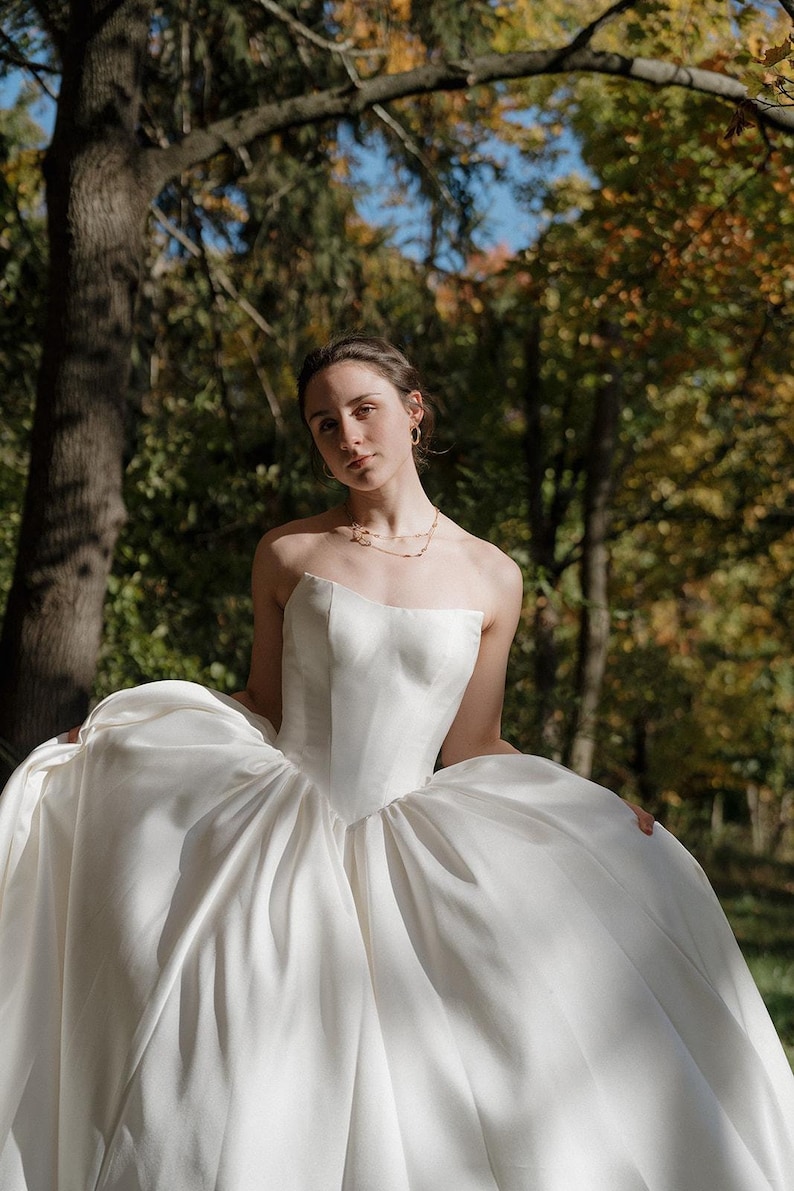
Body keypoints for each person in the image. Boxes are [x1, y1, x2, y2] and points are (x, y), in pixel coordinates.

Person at [0, 334, 792, 1191]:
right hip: (282, 840)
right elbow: (259, 702)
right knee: (242, 1068)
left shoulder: (493, 575)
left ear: (414, 411)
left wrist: (595, 808)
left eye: (363, 408)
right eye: (323, 422)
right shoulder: (288, 553)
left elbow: (475, 743)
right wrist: (130, 731)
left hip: (414, 843)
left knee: (469, 1072)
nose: (347, 434)